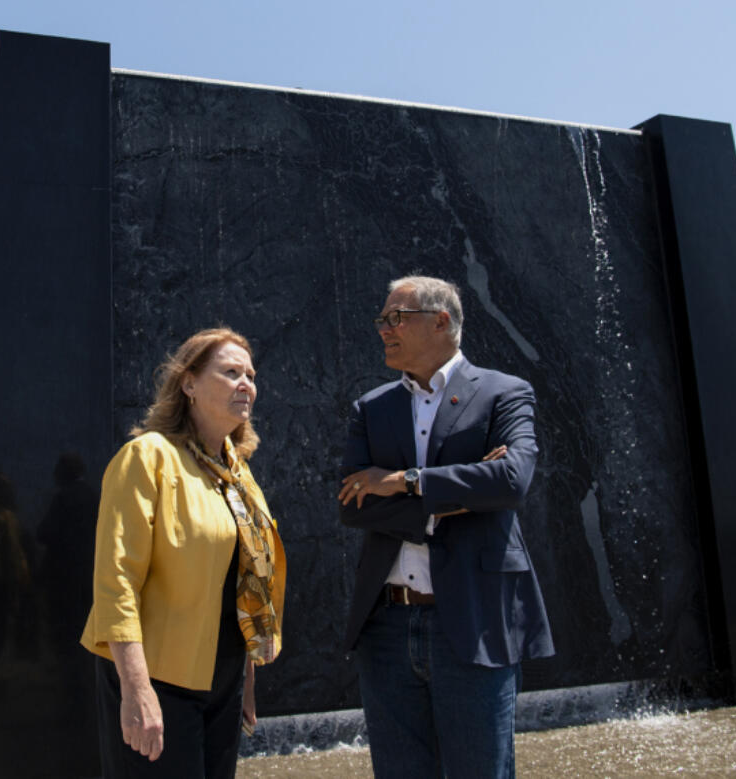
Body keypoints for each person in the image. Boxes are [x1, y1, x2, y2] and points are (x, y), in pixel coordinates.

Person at [337, 275, 554, 778]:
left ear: (441, 322)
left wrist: (406, 481)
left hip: (475, 622)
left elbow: (511, 481)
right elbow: (352, 506)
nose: (384, 329)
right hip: (387, 630)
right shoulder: (371, 408)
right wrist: (454, 499)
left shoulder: (505, 393)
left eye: (397, 318)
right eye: (382, 320)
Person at [81, 327, 286, 778]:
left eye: (251, 374)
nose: (246, 384)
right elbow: (116, 580)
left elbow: (243, 583)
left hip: (225, 679)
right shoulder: (147, 457)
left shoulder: (238, 475)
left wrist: (247, 679)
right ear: (188, 383)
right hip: (158, 680)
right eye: (230, 372)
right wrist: (136, 689)